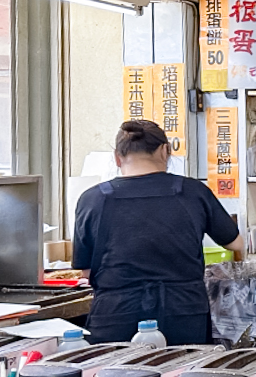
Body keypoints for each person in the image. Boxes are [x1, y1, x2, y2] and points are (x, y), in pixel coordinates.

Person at [73, 120, 245, 344]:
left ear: (117, 157)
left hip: (115, 314)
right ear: (166, 151)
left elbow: (85, 272)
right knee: (181, 376)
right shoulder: (193, 192)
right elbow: (236, 244)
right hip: (183, 313)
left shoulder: (92, 199)